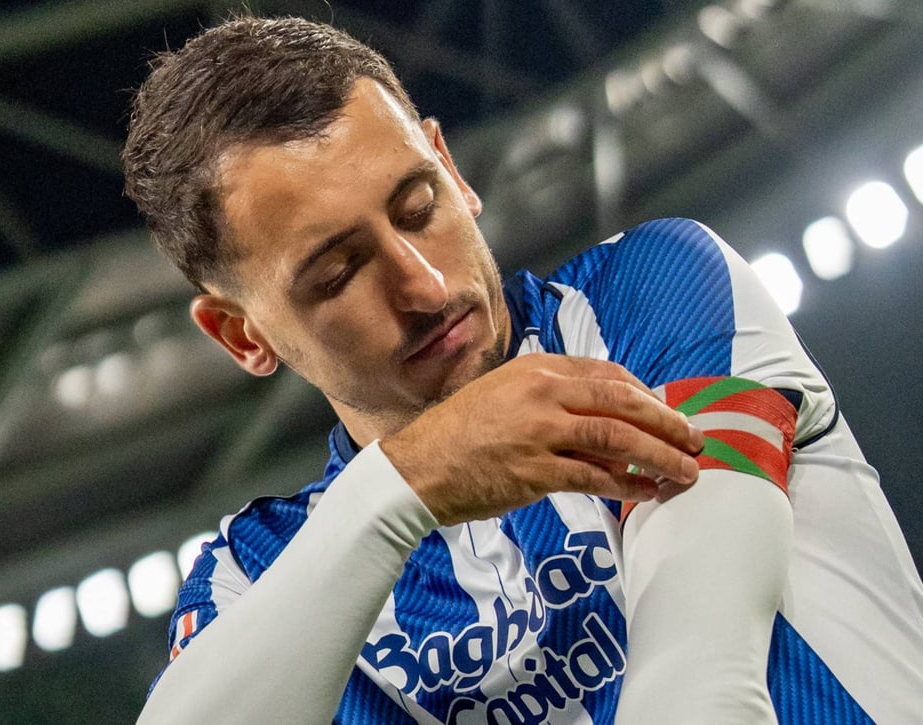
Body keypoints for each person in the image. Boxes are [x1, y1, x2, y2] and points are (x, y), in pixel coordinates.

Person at [122, 16, 923, 724]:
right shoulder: (252, 572)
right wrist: (397, 492)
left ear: (451, 167)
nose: (424, 287)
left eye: (418, 208)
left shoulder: (655, 296)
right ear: (241, 334)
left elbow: (699, 687)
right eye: (338, 273)